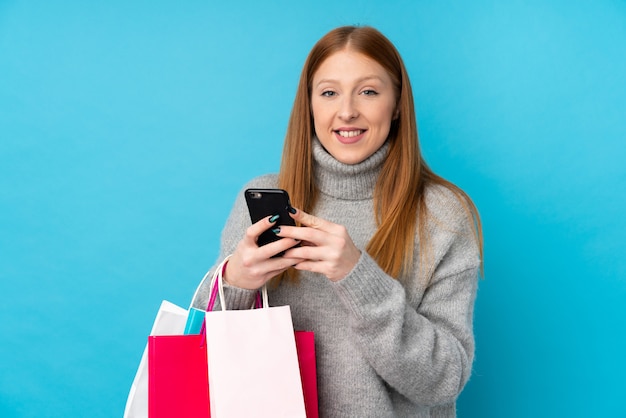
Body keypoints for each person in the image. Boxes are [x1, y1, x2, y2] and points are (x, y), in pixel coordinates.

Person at [192, 25, 483, 418]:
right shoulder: (259, 200)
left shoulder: (444, 215)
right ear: (309, 104)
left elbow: (442, 380)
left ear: (396, 104)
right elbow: (201, 353)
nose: (347, 111)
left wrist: (357, 275)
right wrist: (236, 281)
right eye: (329, 92)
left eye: (368, 91)